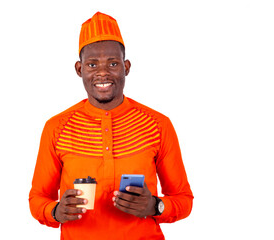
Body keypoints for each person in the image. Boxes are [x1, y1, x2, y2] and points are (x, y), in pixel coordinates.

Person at [29, 12, 193, 240]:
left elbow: (183, 199)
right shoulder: (56, 127)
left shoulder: (157, 125)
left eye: (113, 63)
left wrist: (156, 206)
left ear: (126, 67)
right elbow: (37, 198)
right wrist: (56, 211)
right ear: (79, 69)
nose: (103, 72)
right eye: (92, 64)